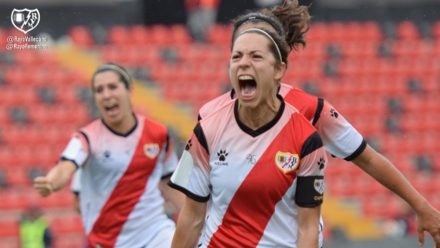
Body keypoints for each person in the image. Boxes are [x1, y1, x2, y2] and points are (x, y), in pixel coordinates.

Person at [197, 0, 440, 246]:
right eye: (239, 49)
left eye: (256, 49)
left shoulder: (311, 110)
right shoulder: (210, 115)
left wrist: (421, 206)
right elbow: (197, 196)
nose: (246, 57)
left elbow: (368, 158)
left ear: (277, 59)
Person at [170, 13, 327, 247]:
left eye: (255, 56)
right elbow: (192, 218)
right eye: (237, 56)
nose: (243, 63)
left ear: (279, 70)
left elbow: (308, 228)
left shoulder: (306, 139)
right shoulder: (207, 130)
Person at [33, 63, 184, 248]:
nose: (106, 95)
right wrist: (51, 182)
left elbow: (169, 180)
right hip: (108, 241)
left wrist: (197, 216)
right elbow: (65, 168)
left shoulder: (158, 134)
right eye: (99, 90)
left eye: (112, 87)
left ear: (129, 90)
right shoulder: (87, 139)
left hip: (156, 234)